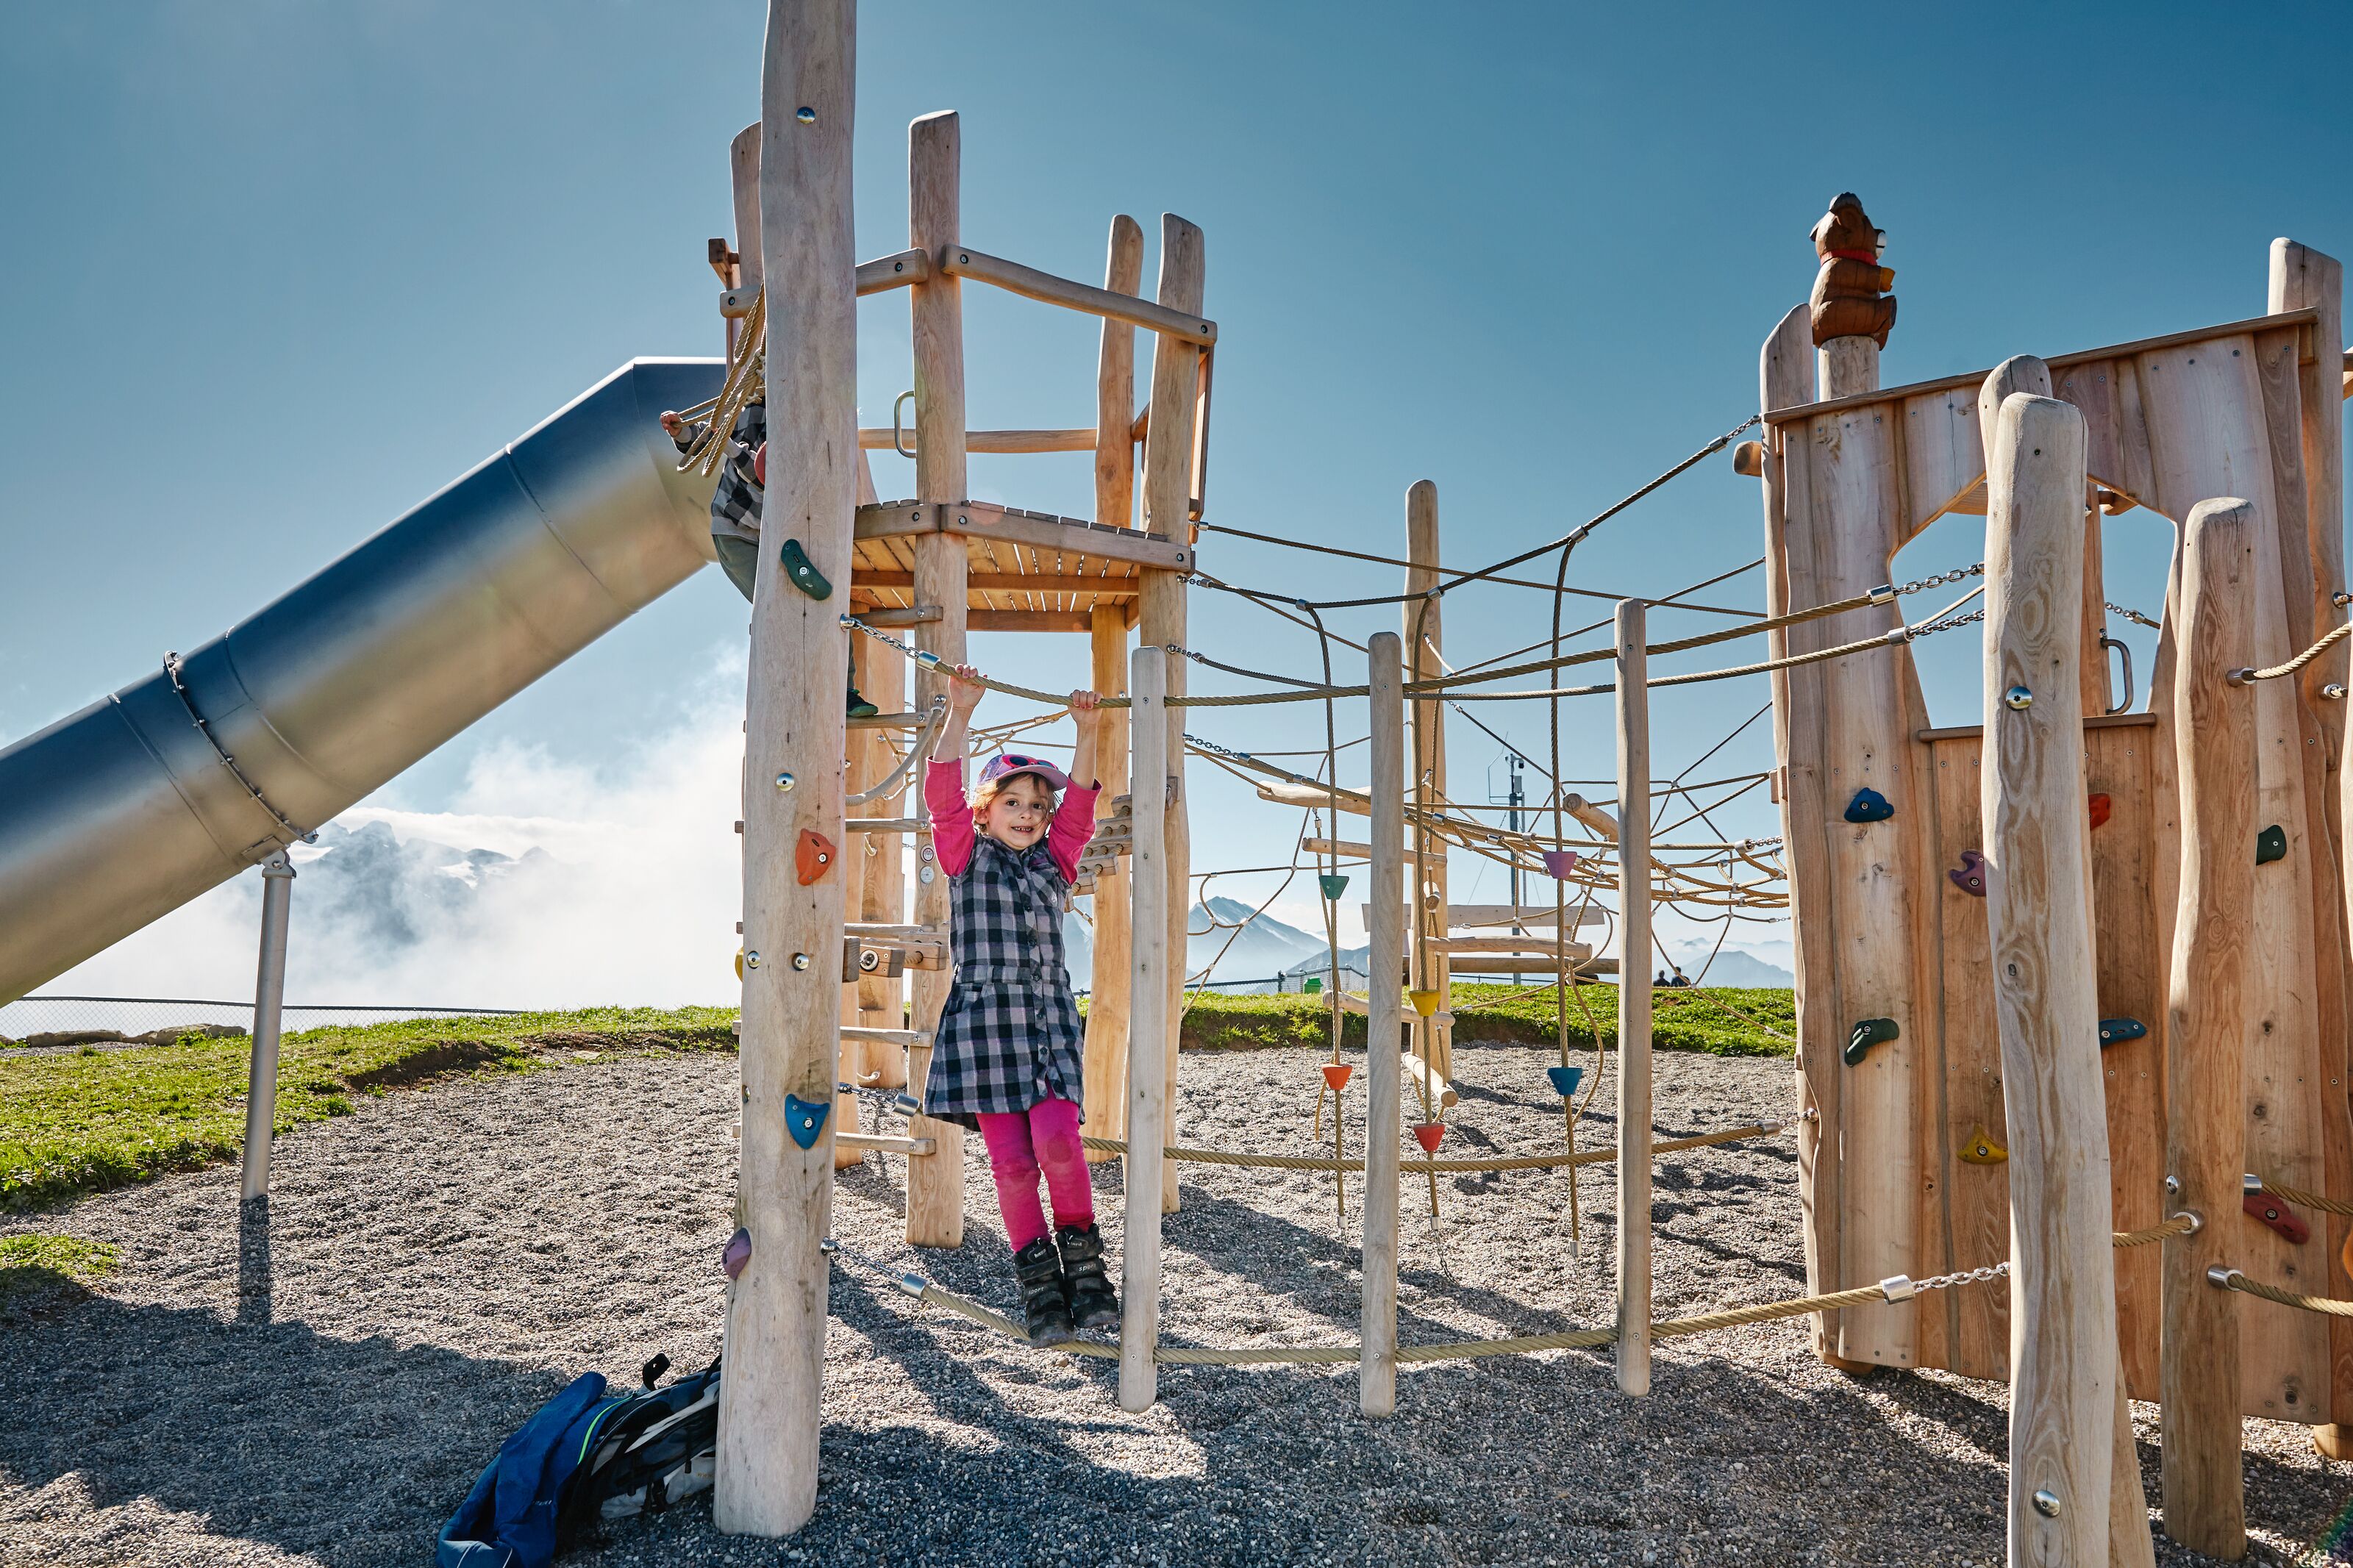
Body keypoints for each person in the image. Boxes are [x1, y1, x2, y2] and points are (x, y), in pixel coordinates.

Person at [920, 663, 1111, 1345]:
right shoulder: (964, 855)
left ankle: (1086, 1271)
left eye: (1037, 804)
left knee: (1059, 1143)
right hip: (984, 1025)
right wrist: (961, 713)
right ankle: (1039, 1283)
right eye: (1014, 802)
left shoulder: (1053, 863)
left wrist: (1087, 729)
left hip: (1047, 1018)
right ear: (985, 809)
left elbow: (1083, 806)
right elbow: (941, 795)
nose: (1029, 813)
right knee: (1010, 1163)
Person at [660, 401, 875, 717]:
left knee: (827, 603)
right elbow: (757, 469)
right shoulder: (756, 410)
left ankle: (845, 692)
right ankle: (790, 694)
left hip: (782, 532)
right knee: (778, 607)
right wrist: (684, 433)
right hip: (739, 530)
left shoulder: (826, 432)